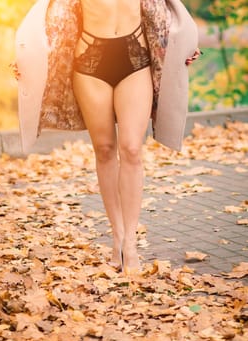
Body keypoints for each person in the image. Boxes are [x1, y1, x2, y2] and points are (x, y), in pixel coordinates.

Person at [12, 0, 200, 274]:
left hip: (136, 59)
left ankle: (132, 244)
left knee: (132, 149)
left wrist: (185, 43)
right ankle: (118, 237)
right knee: (104, 148)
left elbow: (170, 10)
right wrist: (25, 59)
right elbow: (46, 16)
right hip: (88, 60)